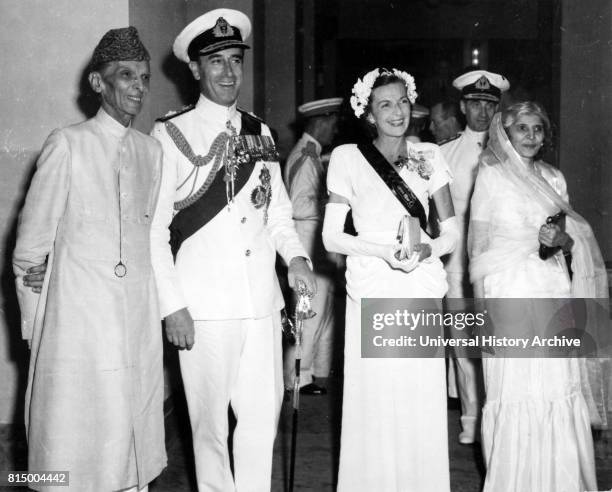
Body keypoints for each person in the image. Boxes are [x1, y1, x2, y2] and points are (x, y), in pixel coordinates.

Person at [149, 9, 315, 491]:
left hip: (261, 305)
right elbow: (156, 231)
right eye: (215, 61)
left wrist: (297, 259)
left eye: (234, 61)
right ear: (195, 69)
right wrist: (172, 306)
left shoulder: (259, 133)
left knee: (264, 418)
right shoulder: (171, 134)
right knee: (210, 431)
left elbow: (278, 213)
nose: (228, 72)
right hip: (203, 309)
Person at [13, 27, 166, 491]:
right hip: (76, 327)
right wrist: (38, 326)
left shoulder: (152, 152)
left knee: (130, 441)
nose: (139, 85)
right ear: (99, 84)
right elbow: (28, 250)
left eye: (143, 76)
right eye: (126, 75)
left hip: (135, 319)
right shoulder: (68, 143)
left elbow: (146, 236)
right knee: (73, 445)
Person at [322, 67, 459, 491]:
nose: (397, 111)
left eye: (402, 101)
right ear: (368, 113)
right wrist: (383, 252)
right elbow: (331, 236)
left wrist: (426, 250)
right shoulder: (347, 157)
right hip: (374, 284)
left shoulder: (430, 156)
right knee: (376, 396)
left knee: (420, 394)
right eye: (385, 104)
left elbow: (451, 231)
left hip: (418, 282)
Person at [469, 102, 608, 491]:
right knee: (514, 389)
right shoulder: (490, 176)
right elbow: (477, 251)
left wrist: (560, 239)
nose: (530, 137)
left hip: (551, 289)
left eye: (537, 130)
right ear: (506, 134)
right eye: (522, 130)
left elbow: (568, 241)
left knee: (556, 385)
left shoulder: (554, 178)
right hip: (508, 291)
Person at [440, 69, 510, 444]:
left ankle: (498, 417)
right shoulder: (445, 153)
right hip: (458, 267)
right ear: (463, 107)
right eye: (476, 103)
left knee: (498, 342)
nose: (482, 112)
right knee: (465, 343)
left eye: (490, 104)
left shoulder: (509, 153)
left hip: (499, 265)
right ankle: (470, 417)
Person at [283, 97, 342, 395]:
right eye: (332, 124)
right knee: (307, 315)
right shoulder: (305, 158)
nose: (334, 130)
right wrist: (332, 205)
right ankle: (297, 379)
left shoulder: (314, 155)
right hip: (305, 245)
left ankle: (316, 372)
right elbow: (298, 204)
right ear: (319, 122)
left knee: (322, 313)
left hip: (316, 245)